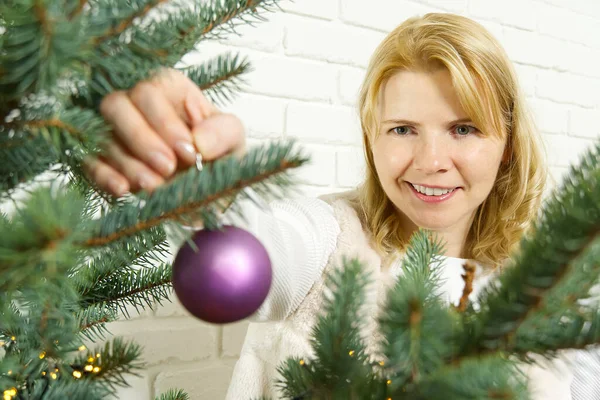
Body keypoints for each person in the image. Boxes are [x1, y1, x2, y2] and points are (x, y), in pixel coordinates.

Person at [85, 12, 577, 400]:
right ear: (372, 138)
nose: (430, 162)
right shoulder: (328, 237)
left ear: (507, 144)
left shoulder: (548, 287)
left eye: (463, 129)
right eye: (402, 129)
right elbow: (263, 257)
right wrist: (210, 195)